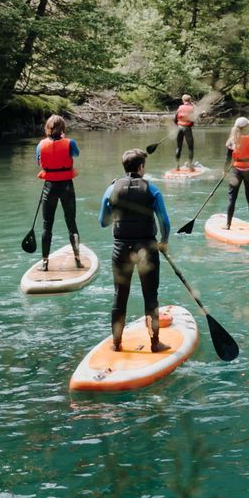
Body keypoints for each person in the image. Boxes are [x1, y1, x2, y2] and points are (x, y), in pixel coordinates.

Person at [99, 147, 173, 352]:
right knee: (150, 296)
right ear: (141, 167)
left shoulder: (111, 189)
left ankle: (116, 344)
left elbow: (102, 222)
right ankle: (155, 343)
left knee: (119, 295)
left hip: (120, 249)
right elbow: (165, 222)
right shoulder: (152, 189)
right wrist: (164, 241)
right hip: (146, 249)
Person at [35, 115, 84, 270]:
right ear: (63, 129)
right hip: (66, 187)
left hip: (49, 187)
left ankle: (44, 262)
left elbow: (39, 161)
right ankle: (77, 259)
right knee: (71, 223)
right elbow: (76, 154)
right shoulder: (70, 143)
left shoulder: (41, 144)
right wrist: (64, 139)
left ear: (47, 128)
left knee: (47, 225)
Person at [224, 116, 249, 229]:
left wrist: (225, 171)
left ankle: (228, 225)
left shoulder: (232, 140)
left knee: (232, 199)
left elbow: (227, 158)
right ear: (245, 127)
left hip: (236, 171)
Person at [172, 94, 198, 169]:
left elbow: (175, 120)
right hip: (187, 128)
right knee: (190, 148)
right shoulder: (192, 108)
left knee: (178, 147)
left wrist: (178, 126)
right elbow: (193, 119)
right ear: (190, 100)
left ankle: (177, 165)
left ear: (183, 100)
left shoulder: (179, 108)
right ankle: (190, 166)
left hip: (179, 128)